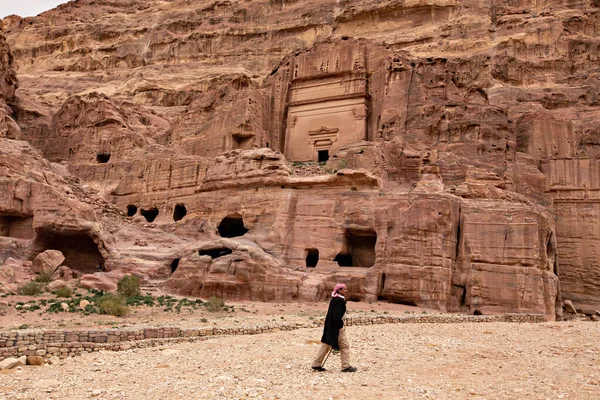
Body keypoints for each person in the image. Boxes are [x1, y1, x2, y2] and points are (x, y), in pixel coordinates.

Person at [311, 283, 357, 372]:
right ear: (339, 290)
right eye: (344, 289)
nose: (346, 291)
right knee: (345, 345)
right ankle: (345, 366)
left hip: (330, 327)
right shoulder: (339, 300)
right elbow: (336, 316)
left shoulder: (335, 299)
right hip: (336, 328)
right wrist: (340, 325)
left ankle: (316, 364)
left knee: (326, 344)